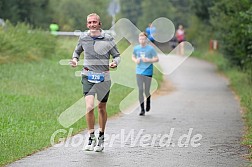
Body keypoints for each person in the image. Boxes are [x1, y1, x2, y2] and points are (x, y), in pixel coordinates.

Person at [69, 13, 120, 152]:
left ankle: (101, 136)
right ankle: (91, 136)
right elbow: (76, 53)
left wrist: (115, 62)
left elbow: (117, 55)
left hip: (103, 77)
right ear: (87, 24)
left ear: (99, 24)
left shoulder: (108, 38)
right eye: (89, 22)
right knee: (89, 107)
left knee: (101, 108)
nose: (92, 24)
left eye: (94, 22)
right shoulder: (83, 38)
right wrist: (74, 60)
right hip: (87, 75)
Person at [132, 32, 159, 116]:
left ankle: (148, 101)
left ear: (146, 40)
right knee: (140, 90)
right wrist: (135, 60)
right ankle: (142, 109)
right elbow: (133, 56)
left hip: (148, 72)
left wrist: (148, 60)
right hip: (139, 72)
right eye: (140, 39)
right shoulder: (136, 48)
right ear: (138, 39)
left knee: (147, 90)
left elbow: (157, 59)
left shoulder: (150, 49)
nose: (142, 40)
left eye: (143, 39)